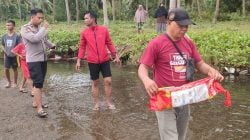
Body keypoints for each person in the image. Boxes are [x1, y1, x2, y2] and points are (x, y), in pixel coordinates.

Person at [138, 8, 224, 140]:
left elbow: (200, 64)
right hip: (164, 97)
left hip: (185, 97)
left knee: (181, 136)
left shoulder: (188, 43)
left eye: (186, 26)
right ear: (168, 22)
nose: (184, 29)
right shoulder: (156, 44)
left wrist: (211, 71)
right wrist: (147, 80)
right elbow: (143, 68)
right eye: (180, 25)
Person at [75, 11, 120, 111]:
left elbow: (109, 43)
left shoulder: (104, 30)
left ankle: (108, 102)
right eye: (84, 18)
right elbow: (82, 47)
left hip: (104, 60)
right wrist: (78, 60)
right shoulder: (84, 33)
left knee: (108, 81)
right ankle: (96, 104)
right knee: (95, 83)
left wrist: (115, 55)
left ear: (93, 19)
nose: (84, 20)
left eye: (86, 18)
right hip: (92, 61)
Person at [21, 8, 55, 118]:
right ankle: (39, 109)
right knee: (37, 83)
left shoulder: (40, 28)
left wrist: (52, 45)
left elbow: (44, 40)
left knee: (40, 83)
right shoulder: (25, 29)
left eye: (42, 18)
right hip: (33, 60)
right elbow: (35, 39)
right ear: (32, 17)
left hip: (43, 59)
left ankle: (36, 102)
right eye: (38, 17)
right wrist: (44, 28)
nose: (41, 20)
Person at [1, 20, 20, 88]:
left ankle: (15, 83)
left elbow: (20, 45)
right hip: (7, 55)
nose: (8, 26)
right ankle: (9, 82)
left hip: (14, 55)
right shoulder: (4, 36)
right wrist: (5, 50)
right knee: (6, 69)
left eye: (9, 25)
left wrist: (16, 52)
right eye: (7, 25)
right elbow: (2, 45)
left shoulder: (17, 36)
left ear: (14, 26)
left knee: (15, 69)